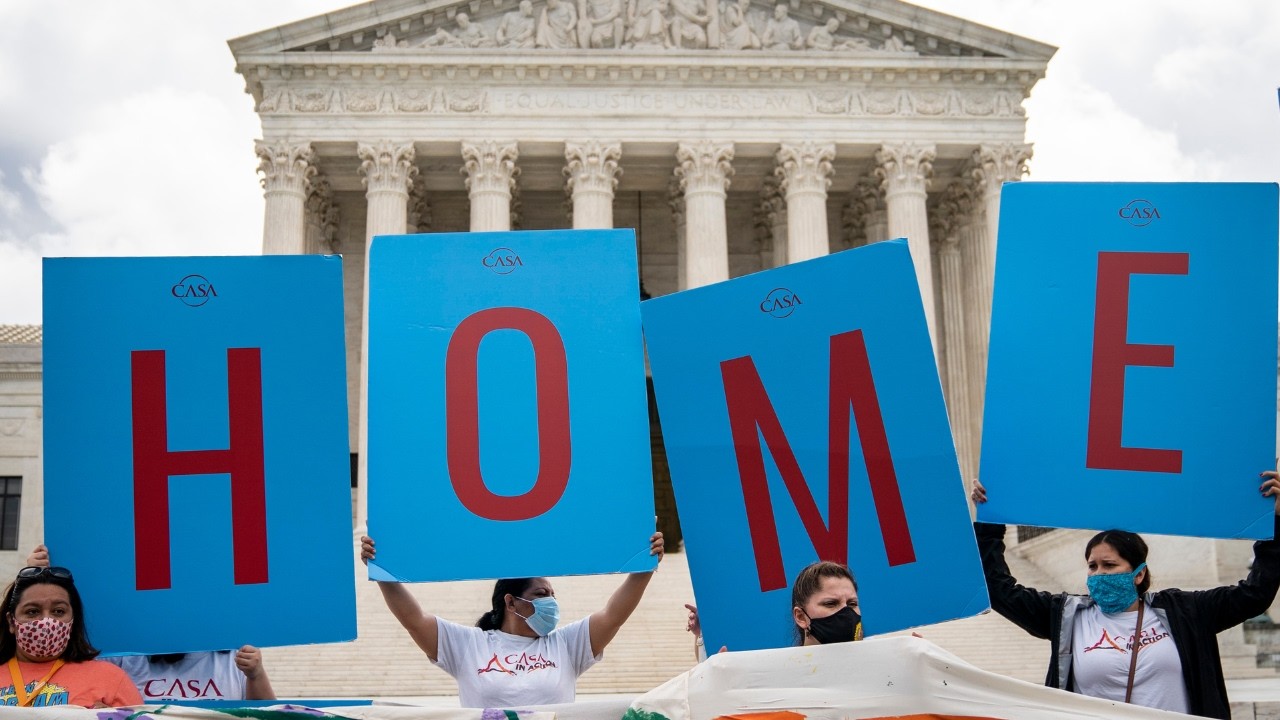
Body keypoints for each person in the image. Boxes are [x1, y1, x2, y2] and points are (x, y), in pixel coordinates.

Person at [970, 473, 1280, 720]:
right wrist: (989, 524)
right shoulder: (1066, 617)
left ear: (1139, 574)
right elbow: (999, 589)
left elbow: (1254, 594)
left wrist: (1276, 520)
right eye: (1092, 566)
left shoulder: (1187, 611)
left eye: (1109, 565)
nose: (1098, 574)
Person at [361, 531, 664, 708]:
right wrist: (382, 570)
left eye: (553, 595)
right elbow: (414, 620)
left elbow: (613, 616)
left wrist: (645, 565)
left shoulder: (566, 644)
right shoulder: (469, 645)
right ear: (511, 602)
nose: (551, 602)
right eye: (541, 594)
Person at [26, 545, 274, 703]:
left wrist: (256, 674)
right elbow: (61, 643)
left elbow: (266, 713)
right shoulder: (121, 658)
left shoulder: (231, 659)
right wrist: (35, 580)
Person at [0, 565, 140, 707]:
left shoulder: (111, 678)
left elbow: (139, 716)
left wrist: (109, 716)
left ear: (73, 620)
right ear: (11, 622)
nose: (46, 621)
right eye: (32, 611)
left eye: (58, 611)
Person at [685, 560, 862, 660]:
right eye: (831, 603)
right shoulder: (774, 672)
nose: (845, 612)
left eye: (852, 604)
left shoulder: (875, 661)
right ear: (801, 616)